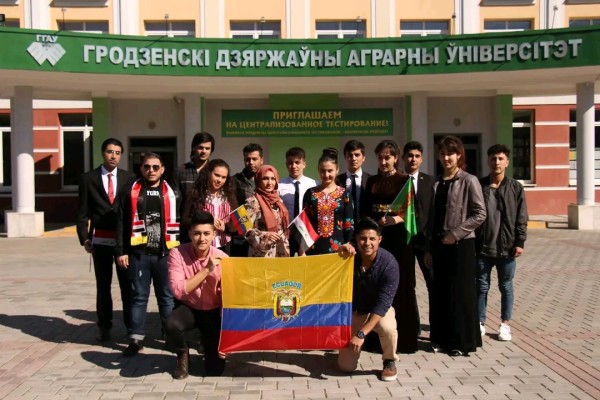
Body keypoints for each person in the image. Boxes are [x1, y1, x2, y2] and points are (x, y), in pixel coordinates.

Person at [425, 135, 486, 356]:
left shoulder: (469, 180)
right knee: (441, 294)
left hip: (461, 246)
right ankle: (442, 339)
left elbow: (480, 214)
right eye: (442, 153)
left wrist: (456, 233)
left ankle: (462, 343)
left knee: (460, 295)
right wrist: (430, 249)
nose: (446, 157)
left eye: (450, 153)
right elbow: (433, 217)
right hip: (439, 245)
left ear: (459, 155)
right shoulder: (437, 182)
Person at [116, 152, 180, 357]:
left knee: (167, 298)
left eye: (155, 167)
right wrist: (121, 250)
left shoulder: (173, 192)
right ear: (141, 168)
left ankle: (169, 337)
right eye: (146, 167)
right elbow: (121, 222)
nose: (150, 171)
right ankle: (136, 339)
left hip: (166, 254)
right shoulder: (131, 191)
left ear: (162, 169)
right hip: (139, 254)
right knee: (138, 297)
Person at [361, 139, 419, 354]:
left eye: (388, 157)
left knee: (401, 288)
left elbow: (412, 214)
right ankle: (374, 339)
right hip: (375, 243)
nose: (384, 161)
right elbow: (367, 211)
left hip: (399, 242)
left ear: (396, 158)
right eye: (380, 157)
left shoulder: (405, 181)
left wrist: (396, 220)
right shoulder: (372, 181)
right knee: (376, 287)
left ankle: (403, 341)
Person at [76, 138, 136, 342]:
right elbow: (82, 212)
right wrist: (84, 238)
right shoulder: (88, 178)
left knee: (127, 285)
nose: (113, 156)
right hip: (99, 239)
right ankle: (104, 326)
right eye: (110, 152)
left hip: (123, 241)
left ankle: (131, 327)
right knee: (103, 286)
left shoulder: (130, 178)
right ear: (103, 153)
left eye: (118, 152)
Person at [165, 211, 228, 379]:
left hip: (213, 312)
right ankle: (182, 355)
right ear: (190, 234)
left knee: (215, 371)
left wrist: (227, 339)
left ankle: (210, 348)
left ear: (214, 234)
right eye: (197, 233)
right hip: (189, 308)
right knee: (171, 324)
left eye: (207, 234)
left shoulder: (222, 258)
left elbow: (230, 296)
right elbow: (178, 290)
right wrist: (206, 270)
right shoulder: (176, 254)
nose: (202, 239)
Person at [336, 218, 399, 382]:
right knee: (345, 367)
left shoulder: (389, 263)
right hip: (355, 311)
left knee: (388, 327)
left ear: (380, 240)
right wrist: (338, 253)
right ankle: (350, 351)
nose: (367, 243)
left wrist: (361, 334)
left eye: (372, 239)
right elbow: (329, 275)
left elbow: (383, 303)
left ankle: (389, 360)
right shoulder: (348, 257)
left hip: (378, 310)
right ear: (356, 239)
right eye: (362, 238)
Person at [477, 144, 528, 341]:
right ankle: (479, 322)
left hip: (507, 249)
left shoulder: (515, 187)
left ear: (507, 161)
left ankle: (505, 324)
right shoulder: (479, 185)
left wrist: (520, 241)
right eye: (493, 159)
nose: (496, 162)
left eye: (500, 159)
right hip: (483, 248)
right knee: (481, 287)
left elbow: (522, 217)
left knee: (506, 286)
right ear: (488, 161)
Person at [402, 141, 435, 334]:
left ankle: (436, 325)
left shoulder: (430, 182)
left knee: (432, 283)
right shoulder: (397, 180)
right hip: (404, 241)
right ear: (404, 158)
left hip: (425, 242)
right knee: (408, 285)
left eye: (416, 156)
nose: (413, 159)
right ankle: (412, 325)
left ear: (421, 159)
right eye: (409, 156)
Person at [302, 148, 354, 255]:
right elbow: (304, 223)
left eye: (330, 171)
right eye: (323, 171)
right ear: (318, 170)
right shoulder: (310, 193)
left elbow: (349, 223)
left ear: (337, 170)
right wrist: (302, 248)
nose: (326, 175)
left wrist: (348, 244)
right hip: (313, 249)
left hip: (339, 249)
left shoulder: (345, 194)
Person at [183, 159, 238, 255]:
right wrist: (206, 222)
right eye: (216, 175)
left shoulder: (229, 195)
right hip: (201, 247)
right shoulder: (195, 194)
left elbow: (239, 222)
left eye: (223, 177)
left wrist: (226, 227)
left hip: (225, 246)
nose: (219, 180)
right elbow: (185, 220)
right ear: (209, 173)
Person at [172, 132, 214, 243]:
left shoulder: (214, 171)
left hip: (209, 229)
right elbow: (175, 201)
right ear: (193, 148)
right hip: (186, 228)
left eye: (207, 148)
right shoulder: (180, 171)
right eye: (200, 147)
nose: (204, 151)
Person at [244, 165, 290, 257]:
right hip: (262, 254)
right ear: (258, 180)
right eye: (265, 178)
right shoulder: (252, 202)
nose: (270, 183)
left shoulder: (278, 201)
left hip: (280, 251)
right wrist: (265, 236)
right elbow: (244, 230)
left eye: (273, 179)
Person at [278, 147, 318, 256]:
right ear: (286, 165)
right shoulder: (279, 186)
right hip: (287, 234)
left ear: (304, 164)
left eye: (297, 162)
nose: (294, 166)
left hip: (306, 234)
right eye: (290, 163)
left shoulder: (314, 185)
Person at [231, 143, 264, 256]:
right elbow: (233, 208)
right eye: (247, 159)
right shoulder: (235, 181)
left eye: (254, 159)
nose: (251, 163)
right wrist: (247, 230)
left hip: (264, 235)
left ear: (261, 160)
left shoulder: (266, 180)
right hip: (242, 236)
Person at [336, 140, 371, 223]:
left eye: (357, 155)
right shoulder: (337, 180)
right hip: (343, 227)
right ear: (345, 157)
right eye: (350, 155)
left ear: (363, 158)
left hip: (365, 227)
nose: (353, 158)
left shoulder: (371, 180)